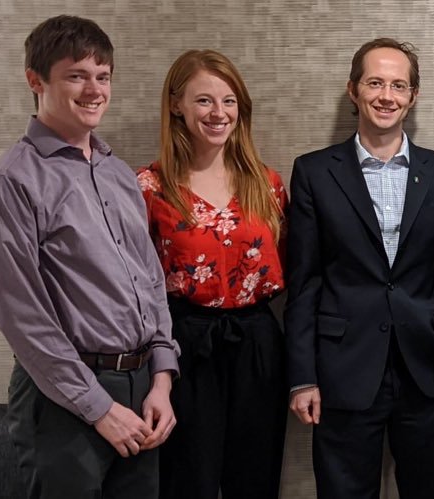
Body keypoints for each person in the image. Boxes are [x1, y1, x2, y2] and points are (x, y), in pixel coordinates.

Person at [0, 15, 179, 498]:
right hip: (63, 396)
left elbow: (151, 281)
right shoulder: (10, 184)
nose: (94, 90)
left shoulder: (118, 173)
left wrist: (162, 379)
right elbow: (23, 319)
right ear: (35, 80)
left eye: (102, 76)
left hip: (143, 389)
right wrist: (100, 408)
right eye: (76, 75)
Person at [284, 38, 434, 499]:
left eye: (399, 85)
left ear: (413, 96)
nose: (387, 95)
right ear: (354, 90)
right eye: (375, 83)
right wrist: (302, 376)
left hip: (425, 367)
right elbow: (304, 281)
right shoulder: (313, 172)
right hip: (342, 367)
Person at [138, 49, 287, 499]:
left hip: (259, 342)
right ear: (176, 105)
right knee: (188, 480)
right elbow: (138, 284)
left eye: (229, 101)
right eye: (204, 100)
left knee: (255, 479)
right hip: (186, 344)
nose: (218, 113)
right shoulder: (149, 187)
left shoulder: (267, 184)